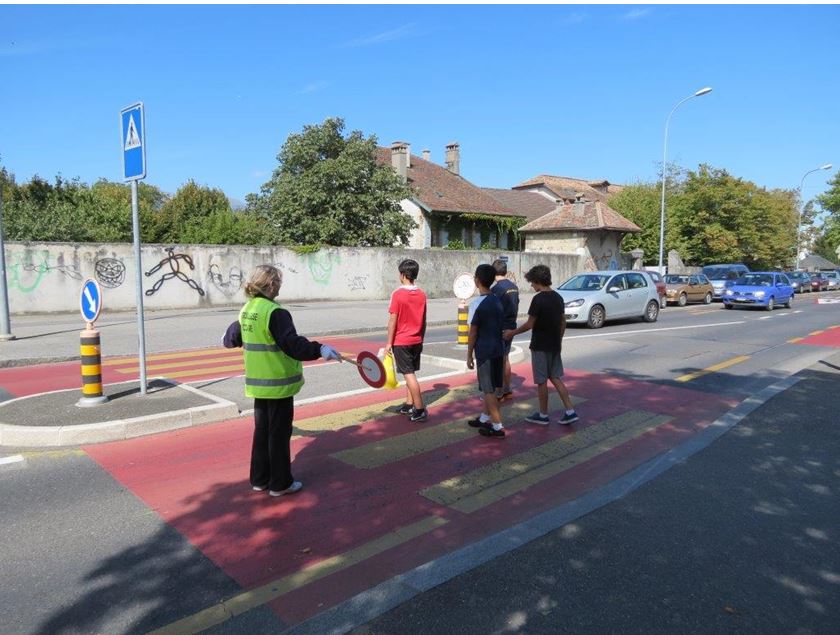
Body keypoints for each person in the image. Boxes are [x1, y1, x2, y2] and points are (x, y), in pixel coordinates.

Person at [223, 265, 341, 497]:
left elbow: (231, 338)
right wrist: (320, 349)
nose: (280, 286)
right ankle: (280, 484)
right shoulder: (276, 313)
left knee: (262, 432)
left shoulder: (248, 308)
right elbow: (293, 345)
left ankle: (259, 479)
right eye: (279, 281)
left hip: (258, 385)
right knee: (278, 435)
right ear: (271, 285)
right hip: (278, 384)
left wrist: (227, 338)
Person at [503, 264, 578, 426]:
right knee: (555, 377)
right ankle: (570, 410)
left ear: (537, 281)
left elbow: (530, 324)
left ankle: (543, 415)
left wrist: (511, 333)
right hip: (554, 344)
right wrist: (559, 339)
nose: (531, 286)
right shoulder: (558, 297)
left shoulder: (538, 299)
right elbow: (563, 321)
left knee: (542, 381)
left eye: (532, 282)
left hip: (540, 345)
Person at [384, 259, 428, 422]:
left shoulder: (397, 294)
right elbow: (423, 320)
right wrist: (421, 337)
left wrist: (389, 342)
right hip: (417, 339)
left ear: (402, 275)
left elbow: (392, 320)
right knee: (411, 372)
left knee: (408, 374)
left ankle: (420, 408)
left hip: (402, 340)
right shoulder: (422, 294)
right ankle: (409, 404)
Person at [466, 263, 507, 438]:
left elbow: (472, 332)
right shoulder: (497, 299)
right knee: (490, 387)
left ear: (477, 280)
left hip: (485, 351)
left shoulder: (476, 304)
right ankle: (484, 418)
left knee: (488, 390)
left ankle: (497, 427)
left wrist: (469, 354)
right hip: (498, 349)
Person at [490, 258, 519, 402]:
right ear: (505, 271)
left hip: (500, 327)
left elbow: (492, 310)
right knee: (505, 358)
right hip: (511, 325)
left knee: (498, 360)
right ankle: (507, 389)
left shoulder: (495, 289)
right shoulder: (514, 286)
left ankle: (499, 391)